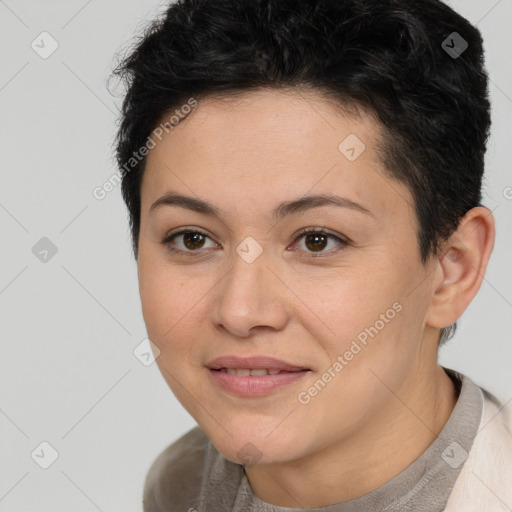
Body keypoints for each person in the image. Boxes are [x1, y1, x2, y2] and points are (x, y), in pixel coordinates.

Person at [110, 0, 512, 510]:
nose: (240, 311)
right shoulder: (180, 487)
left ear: (452, 268)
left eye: (317, 240)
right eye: (193, 238)